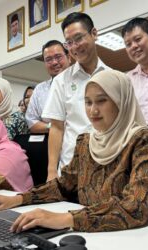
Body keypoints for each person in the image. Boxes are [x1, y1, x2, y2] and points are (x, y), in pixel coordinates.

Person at [0, 69, 148, 233]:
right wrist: (18, 199)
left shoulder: (146, 141)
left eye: (101, 101)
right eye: (88, 102)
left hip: (128, 236)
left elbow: (136, 206)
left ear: (121, 101)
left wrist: (66, 219)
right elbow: (63, 185)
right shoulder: (86, 141)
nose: (93, 111)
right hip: (90, 232)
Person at [42, 12, 110, 181]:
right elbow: (56, 127)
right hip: (70, 169)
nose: (74, 47)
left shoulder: (113, 77)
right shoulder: (61, 81)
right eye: (69, 42)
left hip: (107, 166)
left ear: (94, 33)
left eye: (78, 38)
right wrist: (51, 172)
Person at [26, 40, 70, 133]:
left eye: (58, 57)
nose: (54, 62)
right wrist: (53, 127)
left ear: (69, 57)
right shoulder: (39, 89)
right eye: (49, 59)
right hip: (49, 143)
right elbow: (31, 122)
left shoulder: (81, 82)